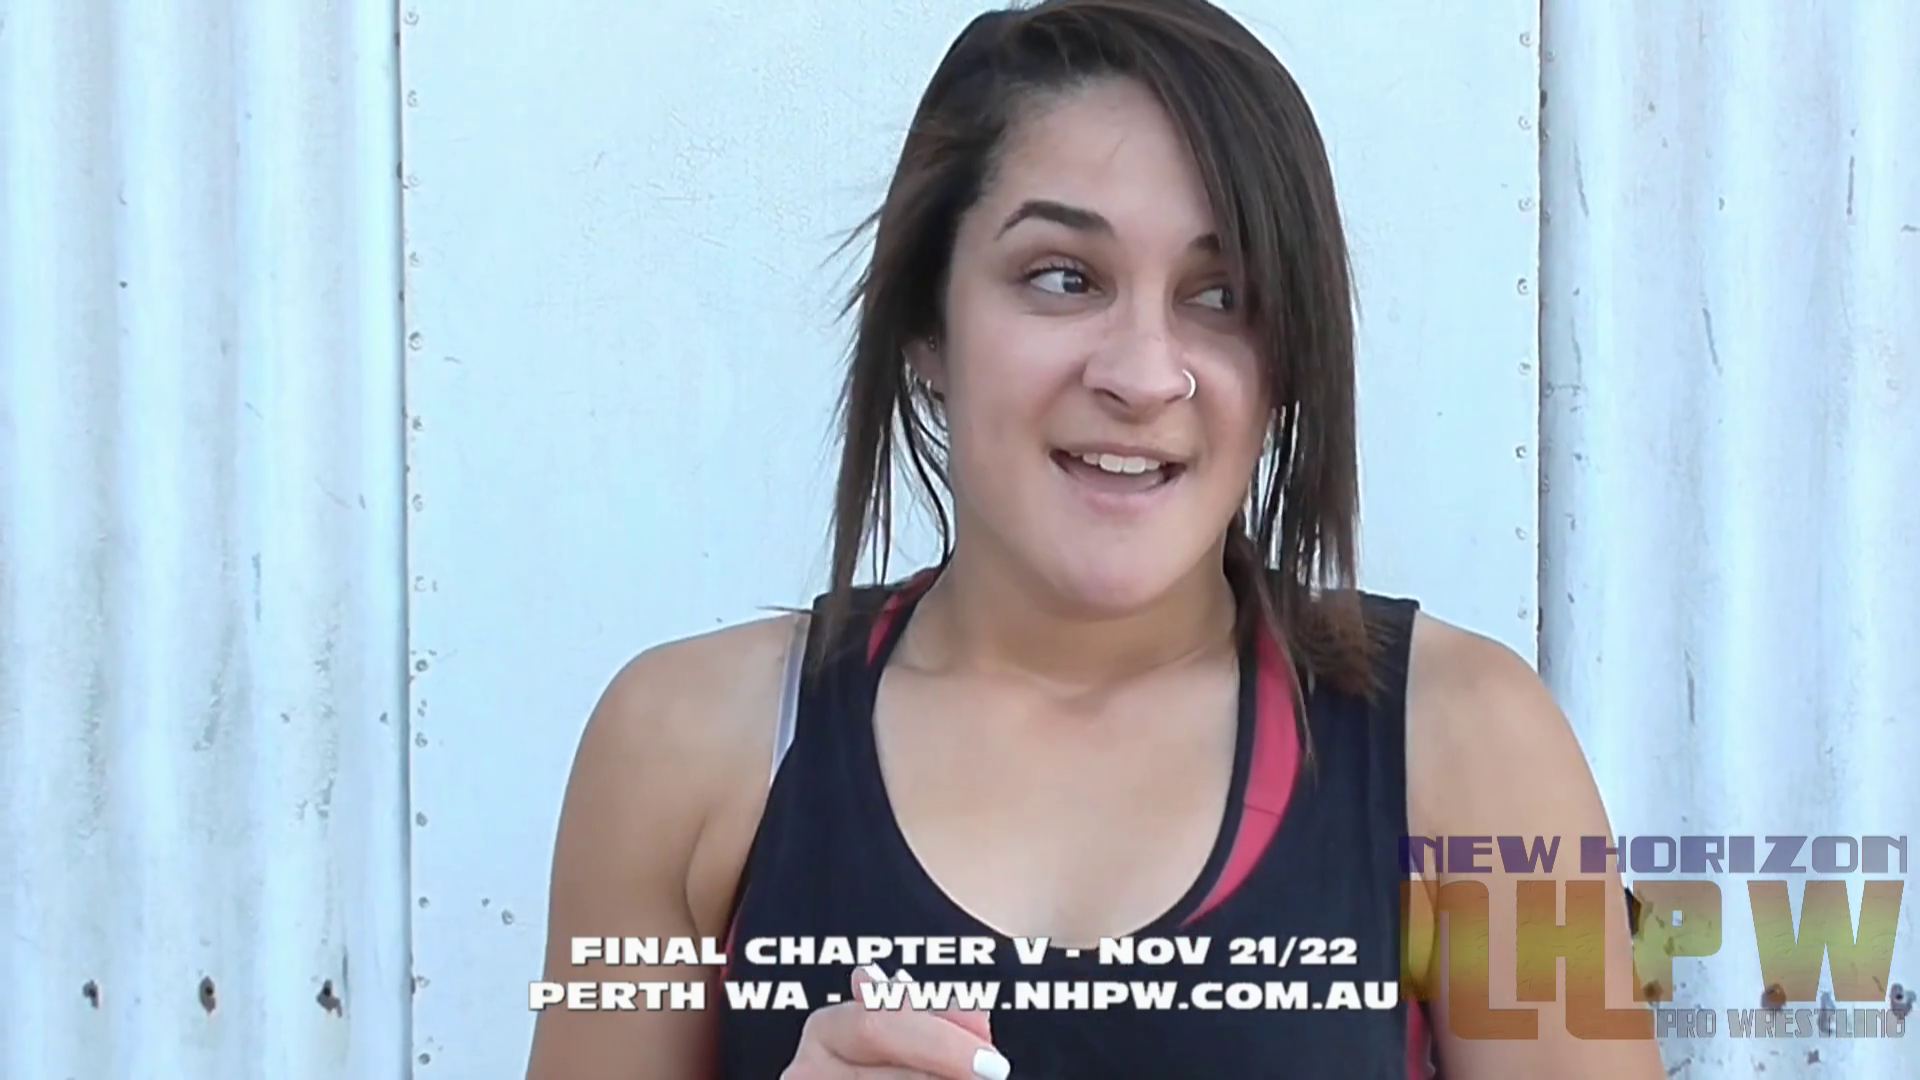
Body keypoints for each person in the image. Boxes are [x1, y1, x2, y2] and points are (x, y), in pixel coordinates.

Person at [526, 1, 1664, 1077]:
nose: (1142, 374)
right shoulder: (685, 748)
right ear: (927, 324)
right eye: (1063, 279)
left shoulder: (1470, 749)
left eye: (1220, 296)